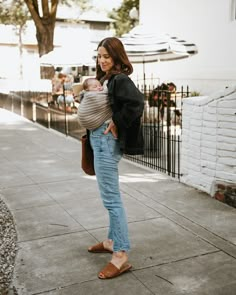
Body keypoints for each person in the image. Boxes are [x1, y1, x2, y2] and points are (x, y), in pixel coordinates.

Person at [77, 37, 144, 279]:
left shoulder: (120, 79)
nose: (102, 60)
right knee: (109, 197)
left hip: (106, 143)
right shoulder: (104, 80)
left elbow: (137, 103)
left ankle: (121, 254)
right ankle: (110, 241)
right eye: (99, 56)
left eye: (107, 56)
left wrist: (117, 121)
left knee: (112, 200)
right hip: (99, 141)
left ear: (117, 57)